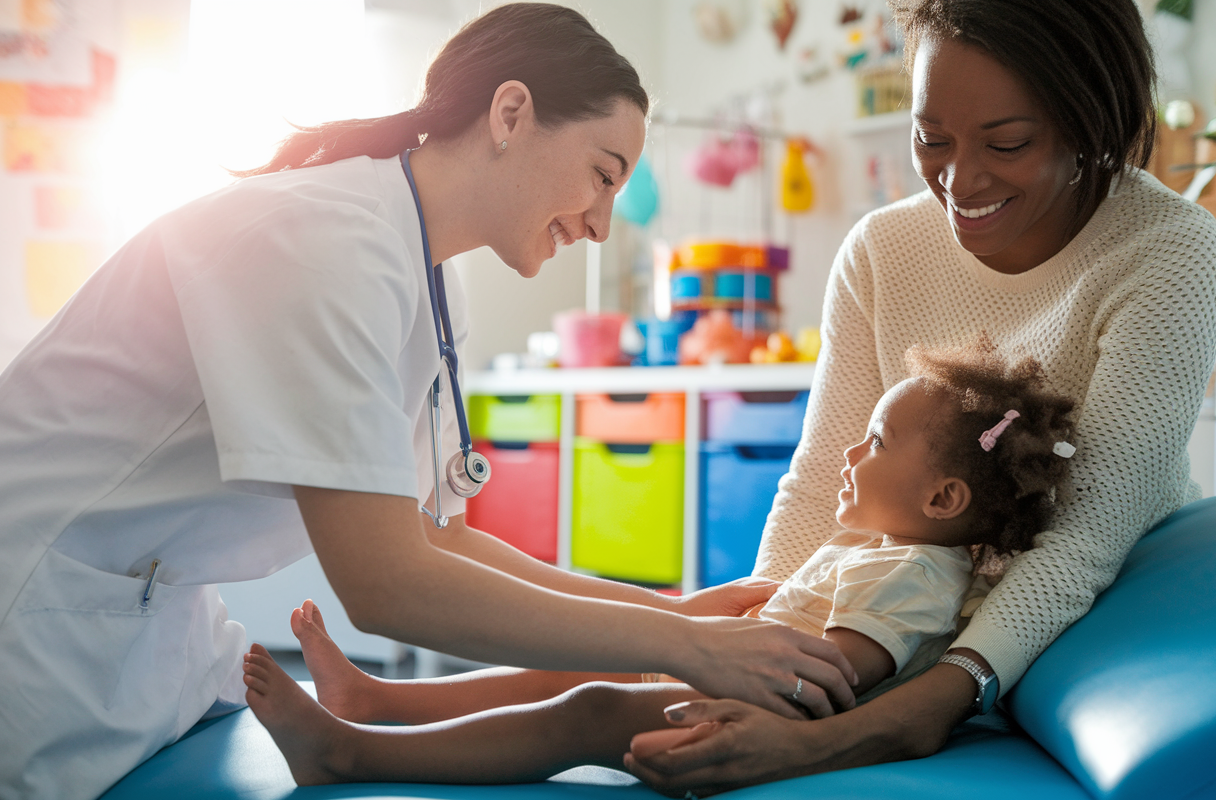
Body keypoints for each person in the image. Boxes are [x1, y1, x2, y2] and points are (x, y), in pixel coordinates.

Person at [0, 5, 857, 799]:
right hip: (37, 618)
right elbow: (386, 587)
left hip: (149, 626)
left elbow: (434, 533)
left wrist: (669, 611)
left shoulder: (425, 267)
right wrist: (684, 646)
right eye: (602, 175)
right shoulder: (325, 240)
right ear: (510, 112)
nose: (602, 224)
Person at [624, 0, 1216, 794]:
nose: (961, 179)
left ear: (1092, 122)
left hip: (1081, 628)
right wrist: (766, 649)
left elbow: (1088, 537)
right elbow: (816, 484)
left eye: (1007, 143)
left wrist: (893, 717)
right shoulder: (884, 249)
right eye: (930, 139)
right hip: (893, 631)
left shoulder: (1167, 248)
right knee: (617, 693)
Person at [238, 339, 1080, 787]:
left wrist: (721, 650)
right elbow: (792, 625)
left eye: (879, 442)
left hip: (751, 727)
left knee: (586, 704)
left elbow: (829, 677)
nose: (851, 452)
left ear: (941, 502)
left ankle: (353, 753)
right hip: (724, 684)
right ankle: (383, 699)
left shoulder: (917, 577)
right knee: (574, 662)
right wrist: (708, 618)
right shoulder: (874, 549)